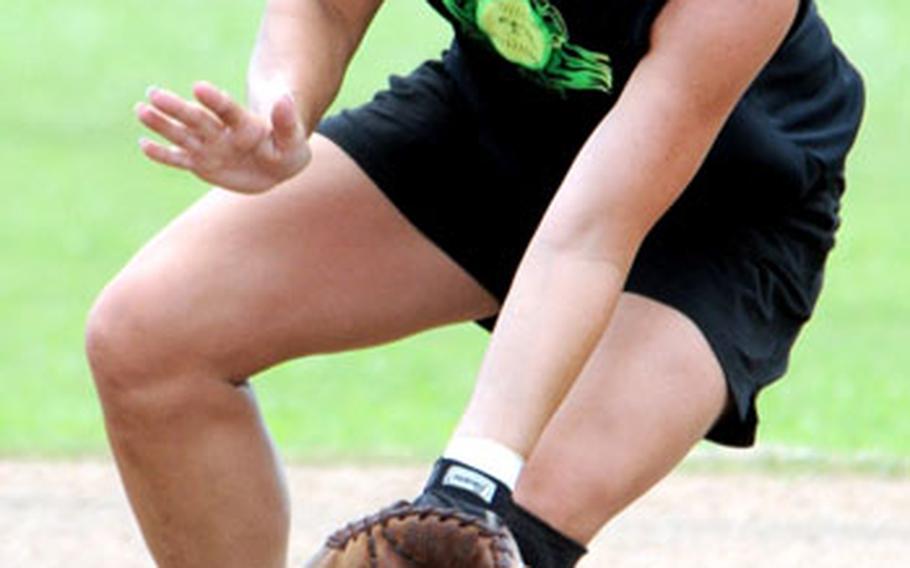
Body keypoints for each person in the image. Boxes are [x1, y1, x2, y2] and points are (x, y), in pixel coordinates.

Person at [85, 0, 863, 566]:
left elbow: (592, 231)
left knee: (487, 538)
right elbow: (324, 7)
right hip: (492, 124)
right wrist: (284, 111)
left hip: (714, 210)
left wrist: (473, 477)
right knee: (148, 335)